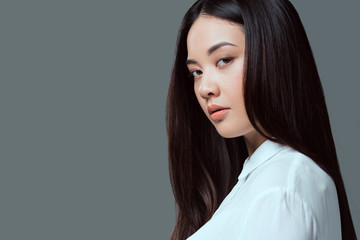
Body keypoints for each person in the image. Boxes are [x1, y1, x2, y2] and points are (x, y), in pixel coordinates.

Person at [165, 0, 357, 239]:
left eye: (224, 60)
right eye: (196, 72)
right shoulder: (269, 180)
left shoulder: (279, 190)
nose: (205, 87)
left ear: (273, 53)